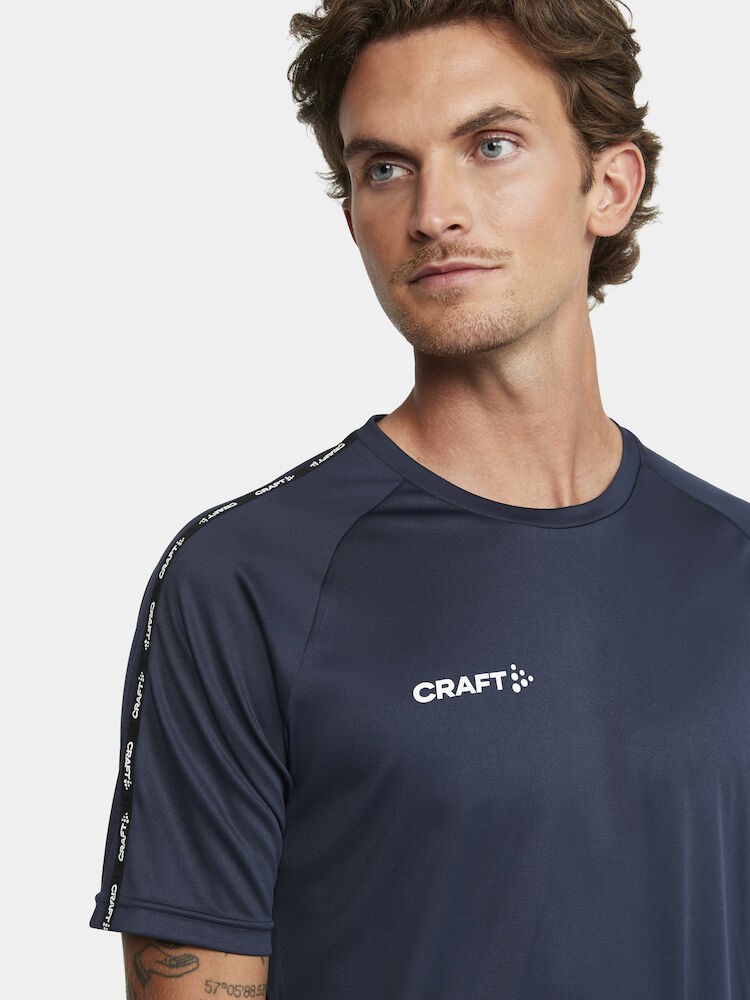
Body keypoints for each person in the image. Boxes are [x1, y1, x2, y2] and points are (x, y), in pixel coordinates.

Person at [91, 1, 750, 997]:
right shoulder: (248, 583)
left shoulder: (732, 562)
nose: (433, 211)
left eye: (491, 145)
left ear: (609, 186)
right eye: (386, 168)